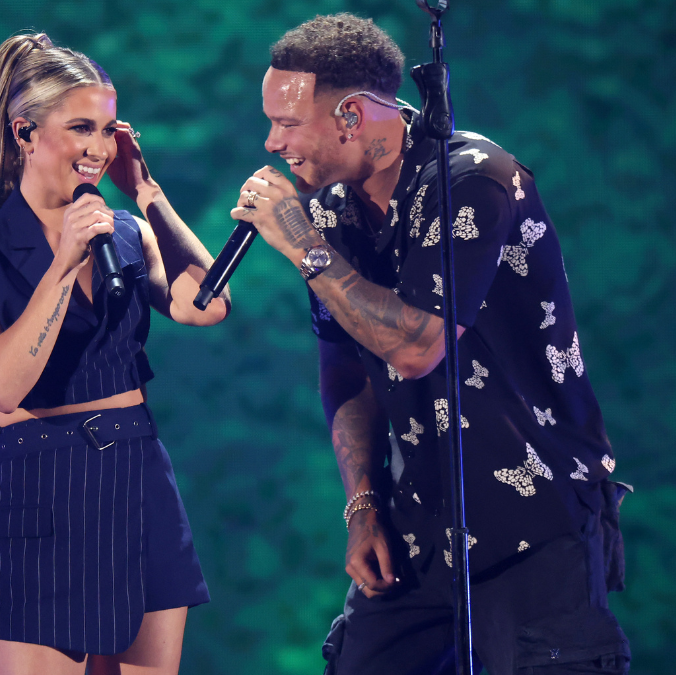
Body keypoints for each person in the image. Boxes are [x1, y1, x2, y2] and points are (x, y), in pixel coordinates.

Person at [231, 14, 631, 675]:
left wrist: (302, 246)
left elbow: (417, 346)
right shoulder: (329, 205)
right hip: (422, 527)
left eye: (288, 123)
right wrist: (363, 502)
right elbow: (346, 363)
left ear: (353, 116)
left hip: (531, 521)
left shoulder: (473, 179)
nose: (273, 142)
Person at [0, 33, 228, 675]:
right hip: (41, 495)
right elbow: (1, 385)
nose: (98, 149)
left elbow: (205, 306)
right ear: (25, 133)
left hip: (139, 482)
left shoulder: (124, 232)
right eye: (80, 128)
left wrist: (146, 191)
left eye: (108, 130)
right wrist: (62, 265)